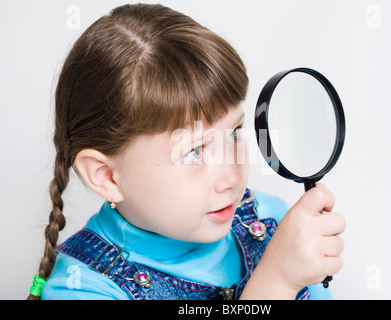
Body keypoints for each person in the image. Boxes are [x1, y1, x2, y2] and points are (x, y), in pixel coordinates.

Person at [27, 3, 345, 300]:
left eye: (234, 133)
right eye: (194, 152)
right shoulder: (82, 289)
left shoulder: (269, 219)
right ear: (107, 176)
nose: (233, 176)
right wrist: (277, 280)